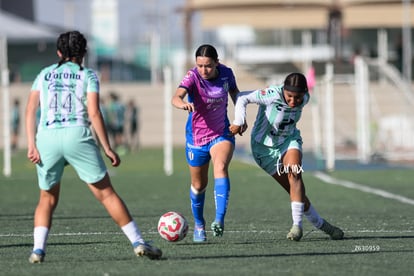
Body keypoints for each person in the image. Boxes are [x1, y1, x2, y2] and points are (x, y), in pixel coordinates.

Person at [25, 30, 162, 263]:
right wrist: (107, 147)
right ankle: (138, 241)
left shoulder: (44, 74)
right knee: (107, 194)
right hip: (77, 135)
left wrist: (31, 144)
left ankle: (38, 250)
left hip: (47, 137)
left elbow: (30, 111)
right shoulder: (87, 75)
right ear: (84, 53)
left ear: (59, 52)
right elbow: (94, 113)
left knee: (46, 198)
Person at [229, 72, 344, 241]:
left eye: (298, 97)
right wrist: (239, 120)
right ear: (283, 90)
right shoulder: (271, 94)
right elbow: (241, 97)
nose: (293, 101)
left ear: (304, 93)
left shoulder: (305, 98)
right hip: (263, 149)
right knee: (292, 189)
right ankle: (321, 224)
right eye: (289, 96)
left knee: (295, 174)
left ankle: (297, 226)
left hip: (288, 141)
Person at [171, 44, 245, 243]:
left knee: (220, 167)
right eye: (200, 65)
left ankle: (219, 220)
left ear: (217, 63)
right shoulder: (192, 76)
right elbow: (176, 97)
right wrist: (183, 103)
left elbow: (237, 96)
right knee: (198, 184)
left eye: (208, 66)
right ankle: (199, 224)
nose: (204, 70)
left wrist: (241, 119)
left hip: (221, 133)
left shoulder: (227, 74)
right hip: (196, 139)